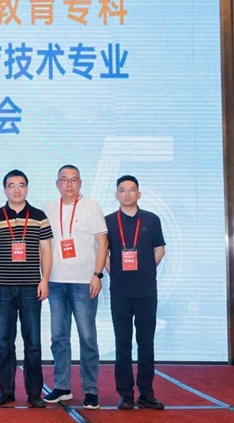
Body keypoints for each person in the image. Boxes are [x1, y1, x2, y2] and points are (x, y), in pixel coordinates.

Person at [43, 165, 107, 410]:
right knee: (58, 337)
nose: (68, 184)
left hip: (84, 282)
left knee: (87, 337)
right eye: (64, 180)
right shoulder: (49, 208)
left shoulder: (91, 206)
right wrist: (44, 277)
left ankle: (91, 390)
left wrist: (97, 275)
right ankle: (62, 386)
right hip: (56, 281)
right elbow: (43, 246)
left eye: (73, 180)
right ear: (56, 183)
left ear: (80, 183)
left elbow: (103, 243)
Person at [0, 170, 52, 409]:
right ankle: (6, 391)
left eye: (21, 185)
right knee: (5, 341)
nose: (16, 190)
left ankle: (34, 392)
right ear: (5, 189)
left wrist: (45, 280)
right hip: (2, 287)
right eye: (11, 185)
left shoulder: (39, 216)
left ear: (27, 188)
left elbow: (46, 250)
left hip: (31, 287)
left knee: (32, 341)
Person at [105, 175, 166, 410]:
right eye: (123, 190)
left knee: (146, 342)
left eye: (132, 190)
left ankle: (146, 393)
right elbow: (103, 253)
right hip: (120, 291)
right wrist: (114, 273)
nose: (127, 194)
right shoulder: (108, 221)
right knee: (122, 343)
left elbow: (159, 250)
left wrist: (147, 271)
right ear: (116, 195)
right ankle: (126, 394)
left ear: (139, 194)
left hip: (146, 291)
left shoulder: (151, 219)